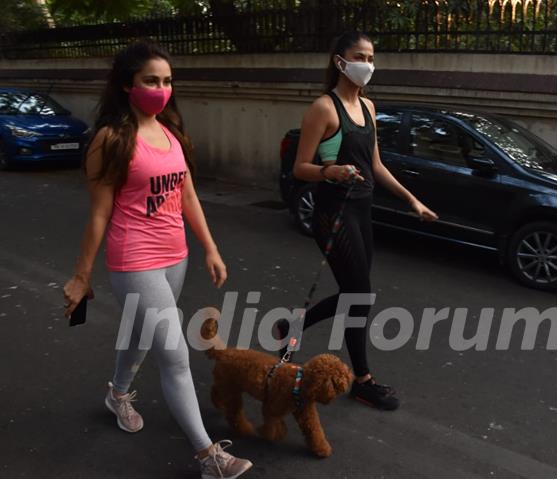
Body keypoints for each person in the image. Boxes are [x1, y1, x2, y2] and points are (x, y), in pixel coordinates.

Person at [62, 41, 252, 479]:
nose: (161, 89)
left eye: (167, 81)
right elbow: (98, 213)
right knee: (176, 354)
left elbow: (185, 194)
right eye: (151, 80)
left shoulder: (169, 131)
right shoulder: (110, 140)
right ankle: (210, 458)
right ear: (128, 84)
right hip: (134, 259)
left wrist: (211, 247)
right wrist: (81, 275)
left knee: (140, 335)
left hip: (175, 256)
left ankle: (117, 393)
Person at [288, 31, 438, 411]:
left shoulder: (369, 107)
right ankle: (363, 380)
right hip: (331, 213)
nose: (367, 64)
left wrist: (411, 199)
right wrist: (329, 172)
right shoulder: (324, 108)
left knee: (359, 294)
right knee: (359, 295)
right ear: (340, 61)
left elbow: (376, 165)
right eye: (360, 56)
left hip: (361, 210)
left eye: (371, 57)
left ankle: (294, 326)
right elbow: (300, 168)